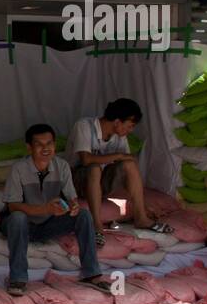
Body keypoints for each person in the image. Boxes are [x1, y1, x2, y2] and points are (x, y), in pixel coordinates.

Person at [1, 124, 110, 296]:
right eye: (39, 144)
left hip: (47, 224)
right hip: (23, 225)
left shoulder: (62, 166)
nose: (46, 148)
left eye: (49, 143)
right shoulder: (19, 169)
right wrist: (45, 208)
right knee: (17, 217)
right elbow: (12, 205)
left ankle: (91, 273)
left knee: (83, 214)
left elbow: (71, 197)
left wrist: (73, 206)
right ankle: (18, 278)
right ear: (29, 147)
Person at [66, 97, 171, 241]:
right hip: (76, 182)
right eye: (129, 126)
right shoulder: (84, 126)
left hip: (101, 183)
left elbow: (127, 161)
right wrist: (119, 155)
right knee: (94, 168)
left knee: (129, 164)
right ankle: (96, 224)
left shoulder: (119, 135)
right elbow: (86, 159)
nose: (130, 130)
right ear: (116, 121)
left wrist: (145, 204)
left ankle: (141, 217)